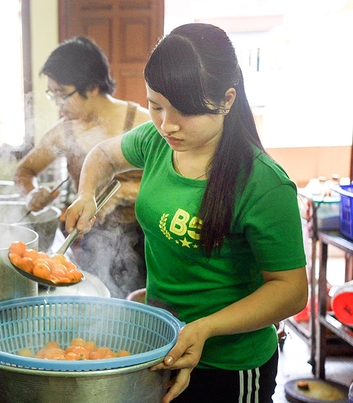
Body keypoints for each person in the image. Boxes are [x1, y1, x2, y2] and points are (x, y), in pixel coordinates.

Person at [64, 23, 308, 403]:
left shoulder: (264, 184)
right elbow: (104, 156)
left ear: (227, 100)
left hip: (230, 366)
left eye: (185, 111)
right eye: (155, 105)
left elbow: (291, 290)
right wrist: (86, 195)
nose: (167, 124)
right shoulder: (157, 141)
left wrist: (205, 327)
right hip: (164, 344)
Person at [14, 36, 151, 299]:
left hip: (144, 239)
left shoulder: (141, 123)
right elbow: (24, 171)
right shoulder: (65, 131)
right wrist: (32, 193)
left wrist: (123, 193)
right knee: (95, 308)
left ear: (91, 87)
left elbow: (171, 183)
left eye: (62, 94)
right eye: (52, 93)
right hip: (92, 238)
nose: (57, 103)